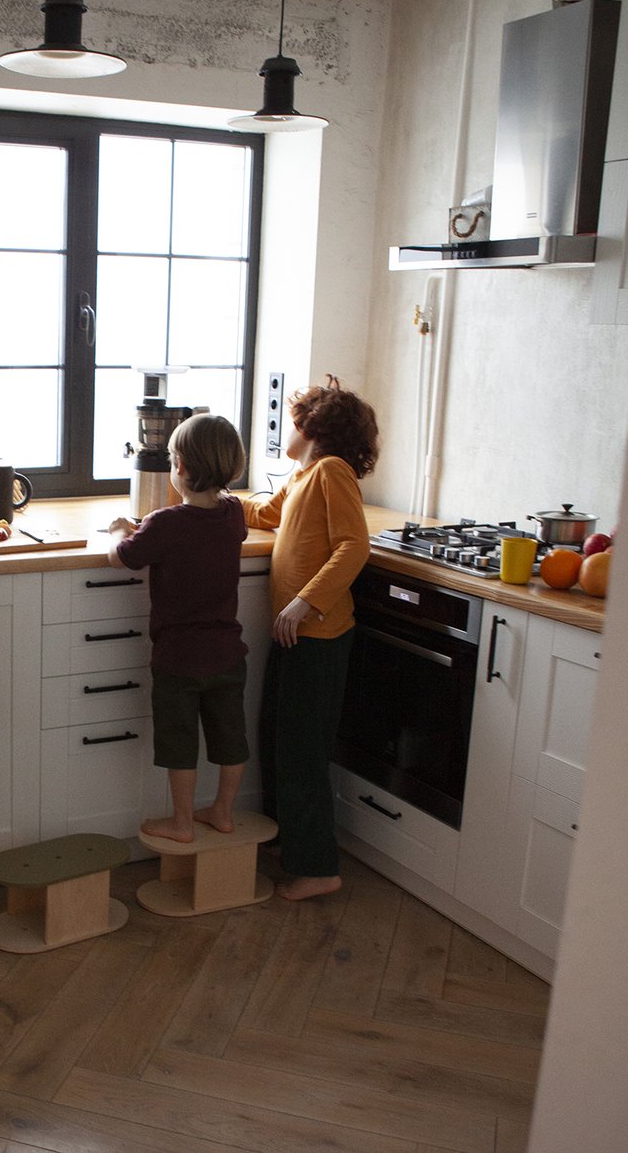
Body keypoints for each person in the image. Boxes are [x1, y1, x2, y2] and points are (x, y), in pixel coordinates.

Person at [243, 375, 379, 901]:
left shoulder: (331, 471)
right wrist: (206, 500)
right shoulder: (303, 477)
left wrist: (307, 601)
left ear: (315, 428)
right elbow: (267, 514)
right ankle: (289, 841)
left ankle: (319, 866)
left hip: (318, 633)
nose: (286, 427)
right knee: (279, 737)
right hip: (297, 636)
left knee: (301, 750)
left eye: (295, 418)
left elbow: (354, 545)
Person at [108, 413, 250, 843]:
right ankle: (223, 811)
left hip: (178, 661)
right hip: (228, 654)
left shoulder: (165, 523)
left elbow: (123, 557)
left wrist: (118, 530)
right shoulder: (233, 514)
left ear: (181, 468)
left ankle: (183, 822)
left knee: (180, 743)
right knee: (230, 737)